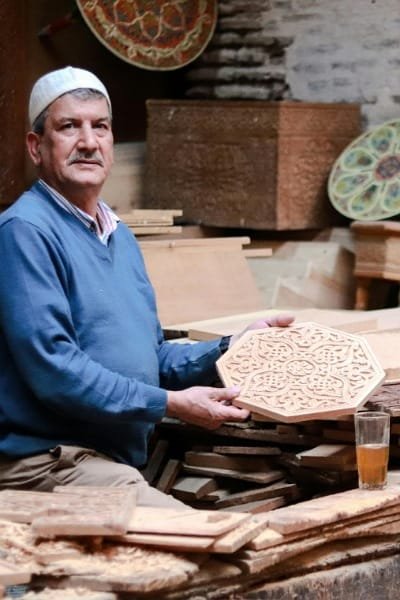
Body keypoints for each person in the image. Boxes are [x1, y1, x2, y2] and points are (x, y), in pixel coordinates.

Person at [0, 66, 294, 507]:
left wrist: (233, 349)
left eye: (100, 126)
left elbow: (150, 356)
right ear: (36, 146)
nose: (88, 141)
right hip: (47, 463)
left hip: (106, 461)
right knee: (205, 542)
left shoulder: (118, 235)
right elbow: (55, 371)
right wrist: (172, 404)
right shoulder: (24, 231)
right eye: (68, 127)